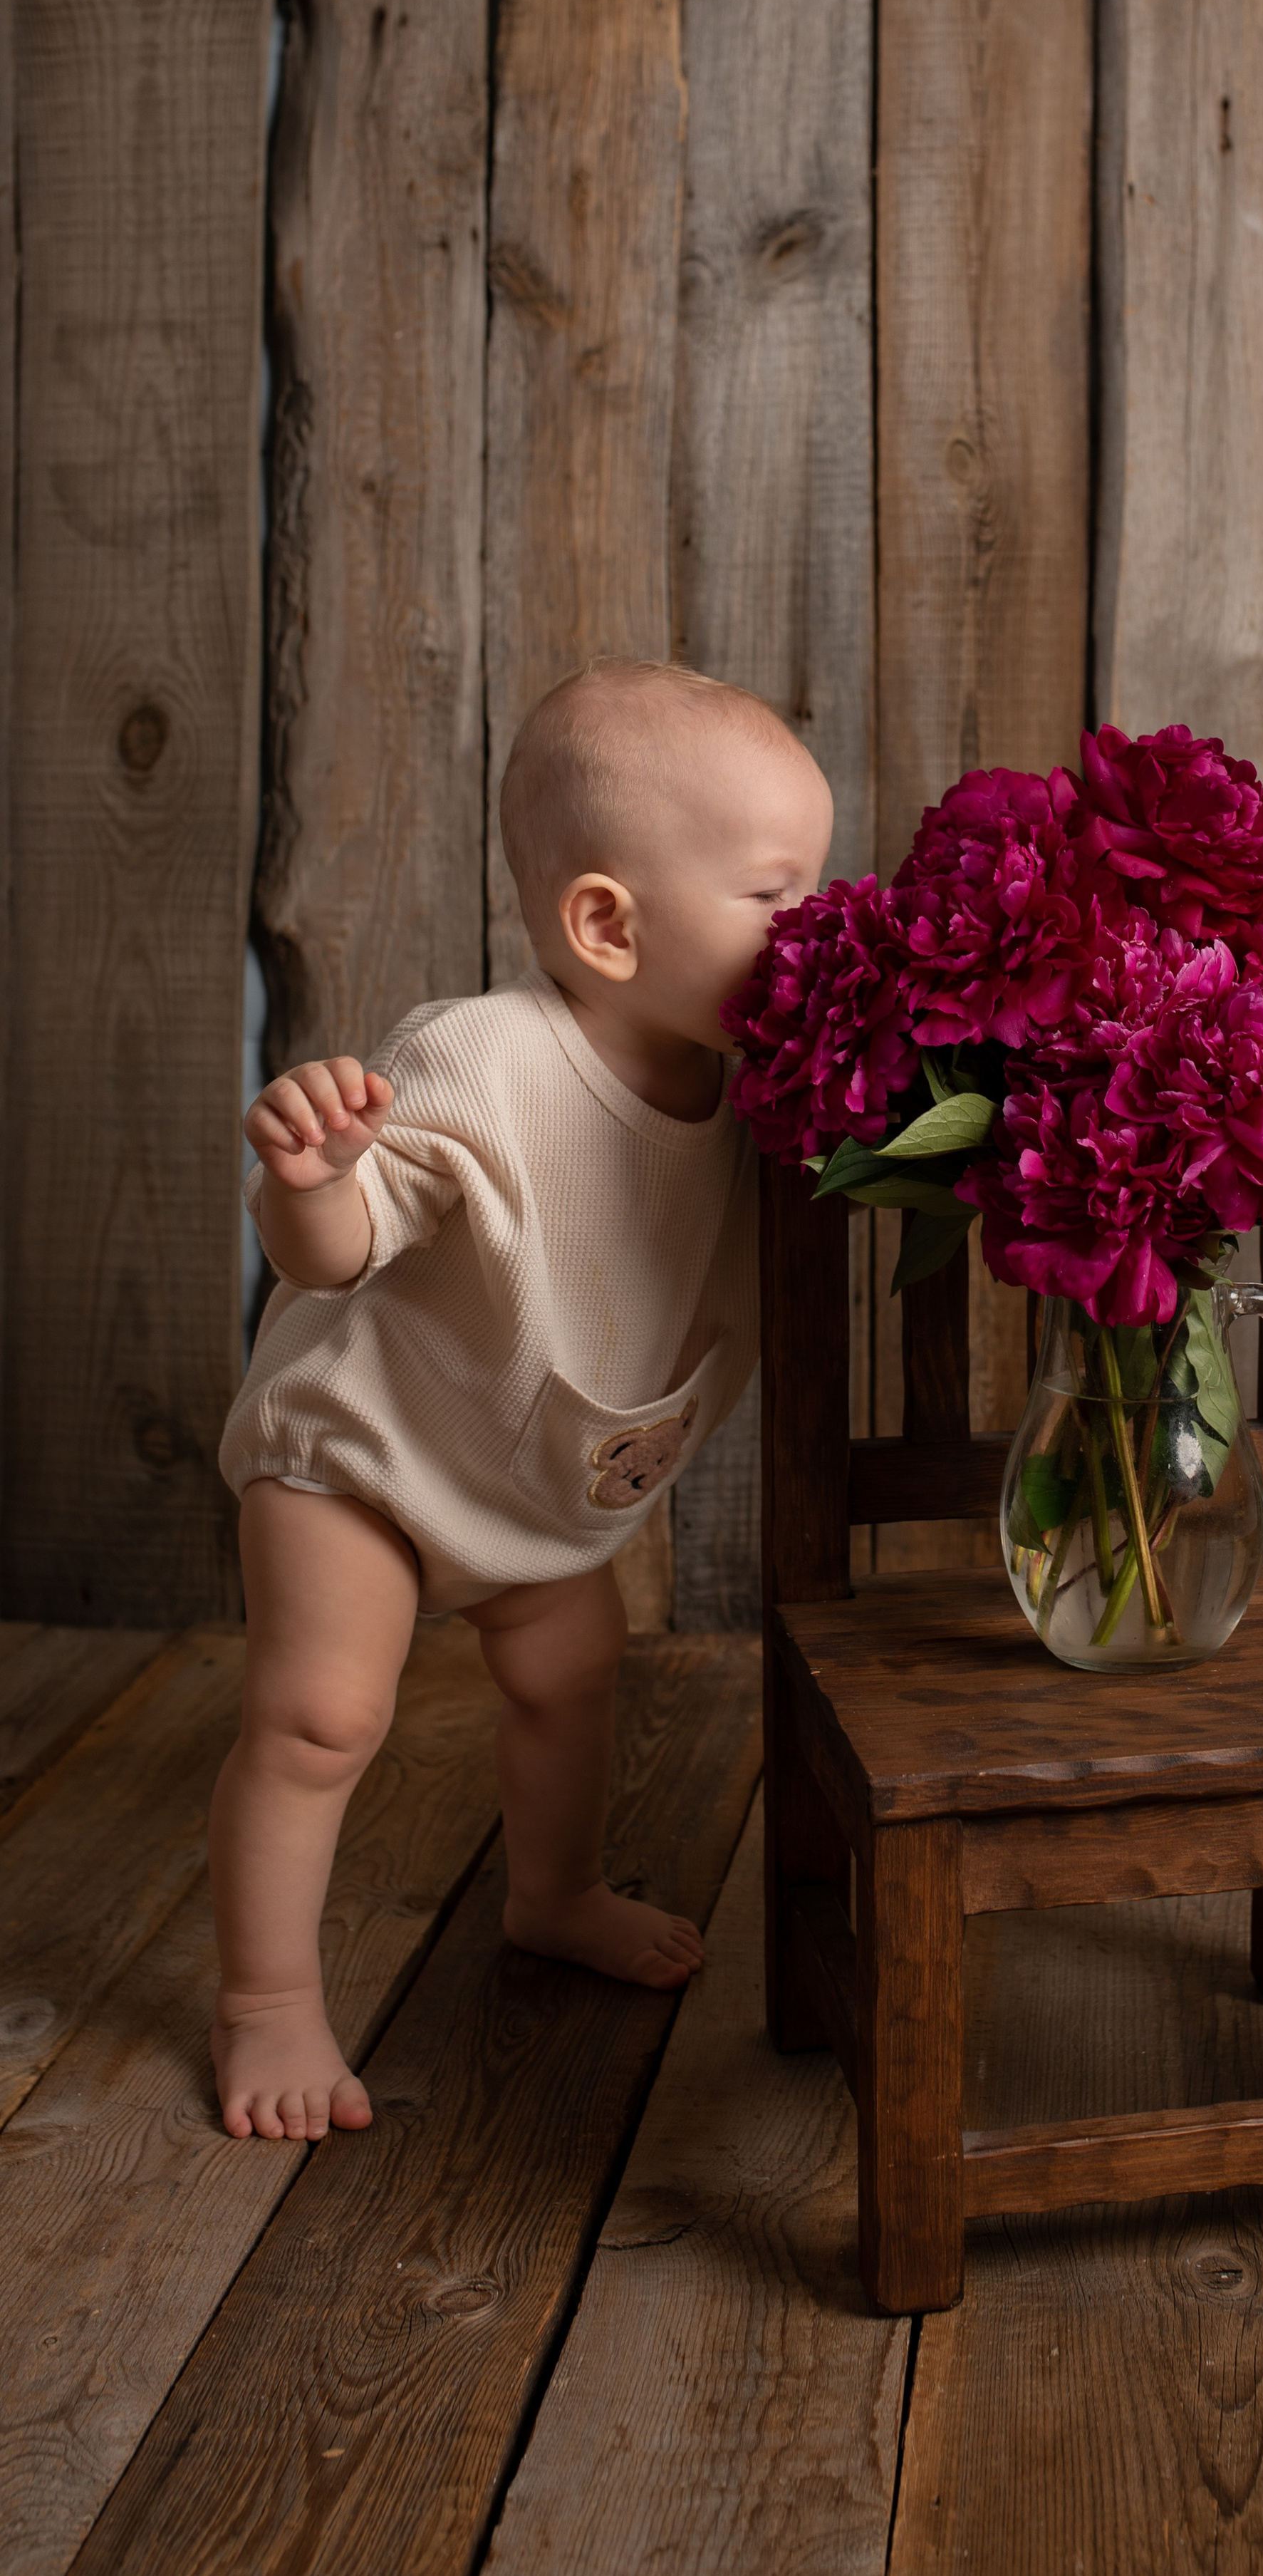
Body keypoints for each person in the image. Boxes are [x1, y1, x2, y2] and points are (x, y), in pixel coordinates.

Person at [210, 659, 833, 2143]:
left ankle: (550, 1895)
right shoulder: (480, 1060)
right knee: (318, 1716)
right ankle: (263, 2000)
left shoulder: (757, 1090)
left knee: (567, 1681)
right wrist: (306, 1184)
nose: (810, 929)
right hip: (365, 1462)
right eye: (773, 897)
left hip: (534, 1484)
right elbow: (346, 1248)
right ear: (607, 924)